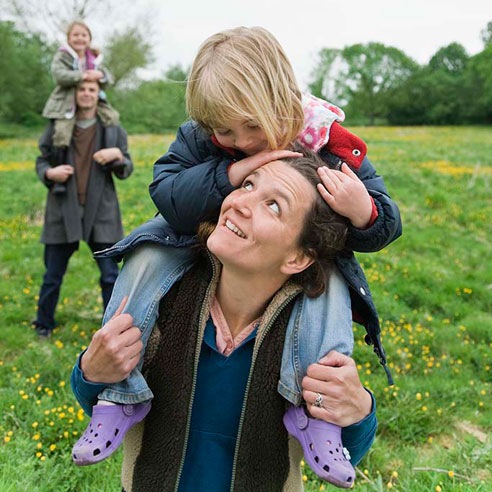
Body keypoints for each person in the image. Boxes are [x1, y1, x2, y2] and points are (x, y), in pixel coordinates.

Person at [73, 26, 402, 486]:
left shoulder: (326, 139)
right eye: (225, 131)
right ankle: (120, 396)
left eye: (252, 127)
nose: (243, 140)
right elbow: (167, 191)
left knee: (332, 287)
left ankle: (317, 420)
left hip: (306, 270)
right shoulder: (202, 145)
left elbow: (386, 221)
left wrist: (363, 211)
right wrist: (231, 172)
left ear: (283, 100)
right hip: (188, 240)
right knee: (145, 254)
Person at [71, 152, 378, 491]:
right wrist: (90, 372)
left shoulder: (307, 336)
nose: (240, 204)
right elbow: (101, 403)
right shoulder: (164, 302)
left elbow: (348, 452)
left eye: (274, 205)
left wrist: (359, 410)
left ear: (298, 257)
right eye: (247, 184)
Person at [33, 79, 133, 338]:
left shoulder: (111, 128)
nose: (87, 94)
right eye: (82, 89)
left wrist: (117, 157)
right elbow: (41, 160)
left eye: (91, 89)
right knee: (52, 274)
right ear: (74, 94)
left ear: (98, 94)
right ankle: (43, 324)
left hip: (101, 210)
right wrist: (50, 172)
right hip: (62, 208)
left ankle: (111, 328)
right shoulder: (58, 126)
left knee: (111, 275)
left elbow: (126, 167)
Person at [42, 20, 119, 194]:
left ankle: (109, 158)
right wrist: (81, 75)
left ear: (89, 39)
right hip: (67, 102)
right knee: (61, 132)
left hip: (94, 100)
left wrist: (101, 75)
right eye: (75, 35)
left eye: (84, 35)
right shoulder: (63, 55)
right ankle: (60, 172)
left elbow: (109, 78)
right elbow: (59, 75)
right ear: (68, 38)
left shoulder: (93, 57)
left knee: (112, 117)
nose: (80, 39)